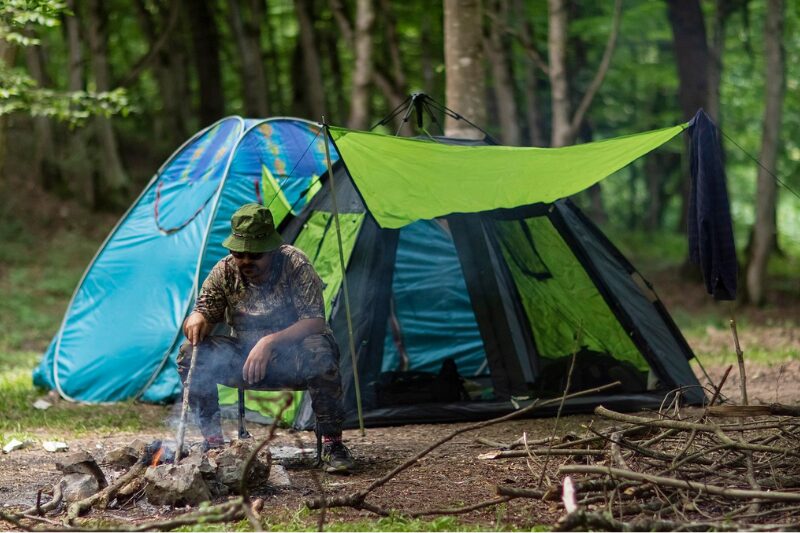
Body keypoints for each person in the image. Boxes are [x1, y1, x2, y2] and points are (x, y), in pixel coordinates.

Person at [178, 203, 354, 473]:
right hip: (244, 360)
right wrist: (197, 318)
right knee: (191, 352)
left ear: (271, 250)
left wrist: (269, 341)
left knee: (319, 350)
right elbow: (204, 312)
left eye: (255, 255)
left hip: (294, 358)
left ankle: (333, 444)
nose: (246, 261)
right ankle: (213, 443)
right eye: (239, 253)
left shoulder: (295, 264)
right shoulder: (224, 271)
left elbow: (315, 321)